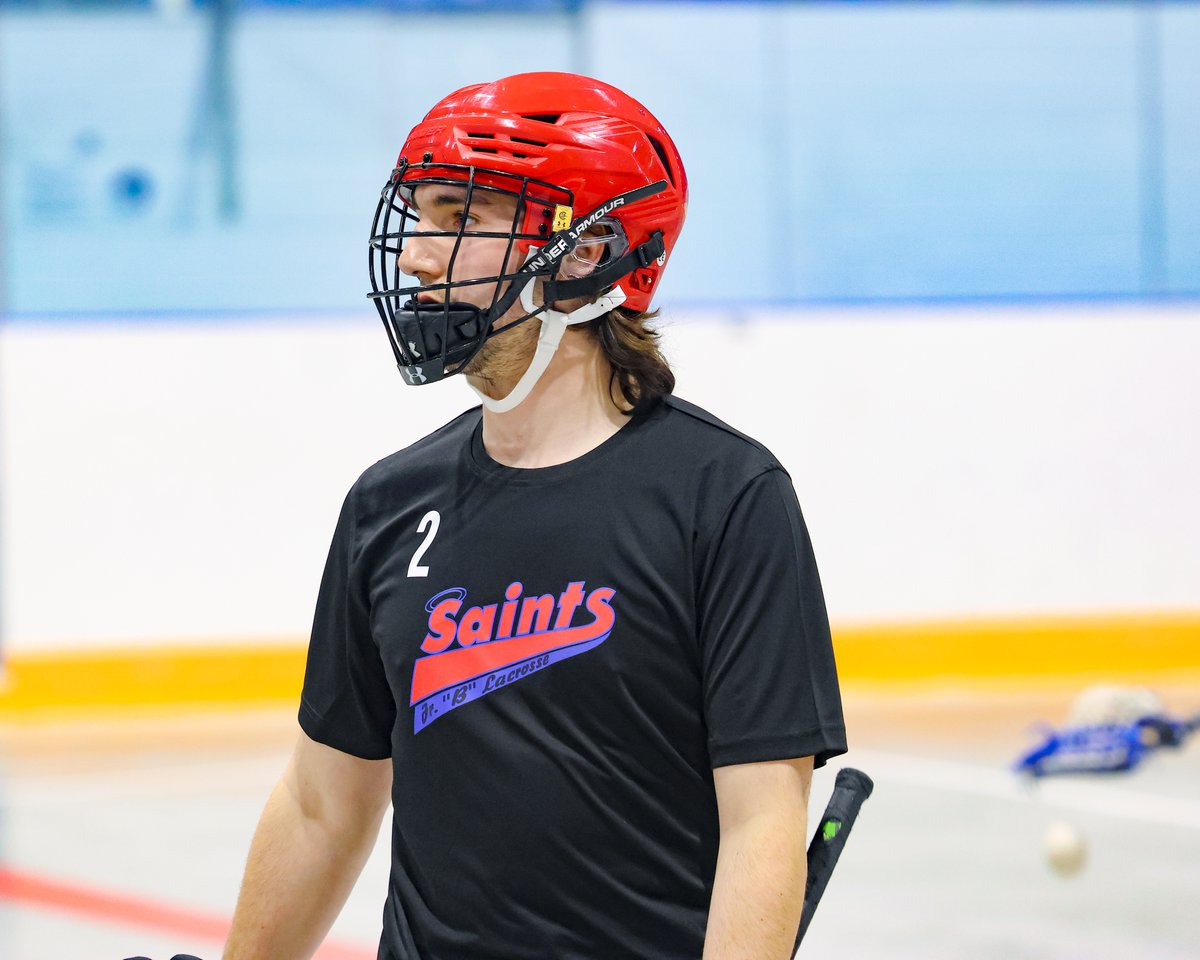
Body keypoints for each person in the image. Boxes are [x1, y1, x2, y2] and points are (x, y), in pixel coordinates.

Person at [222, 72, 846, 960]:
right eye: (421, 215)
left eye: (460, 218)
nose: (418, 257)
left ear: (588, 251)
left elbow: (762, 824)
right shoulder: (388, 505)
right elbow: (325, 804)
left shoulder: (724, 496)